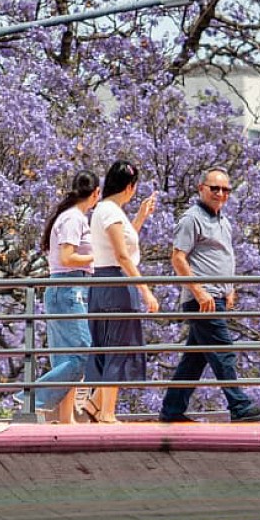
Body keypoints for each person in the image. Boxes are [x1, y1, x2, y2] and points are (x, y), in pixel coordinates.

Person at [157, 167, 260, 424]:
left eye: (225, 190)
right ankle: (239, 407)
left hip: (217, 296)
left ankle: (171, 410)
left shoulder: (224, 221)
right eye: (215, 188)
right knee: (223, 351)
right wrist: (199, 291)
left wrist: (229, 288)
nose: (220, 194)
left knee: (194, 359)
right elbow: (178, 258)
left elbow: (222, 257)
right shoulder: (191, 219)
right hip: (203, 299)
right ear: (201, 189)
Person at [84, 161, 159, 424]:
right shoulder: (111, 212)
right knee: (117, 346)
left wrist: (140, 217)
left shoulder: (105, 210)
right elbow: (122, 256)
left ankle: (96, 404)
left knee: (112, 344)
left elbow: (120, 245)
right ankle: (107, 412)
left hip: (103, 283)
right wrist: (146, 291)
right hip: (116, 283)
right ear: (130, 187)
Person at [29, 171, 99, 424]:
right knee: (82, 353)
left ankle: (66, 418)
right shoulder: (73, 218)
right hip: (70, 287)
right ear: (96, 194)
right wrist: (97, 255)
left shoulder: (70, 216)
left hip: (68, 288)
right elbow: (67, 257)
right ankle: (32, 398)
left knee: (66, 358)